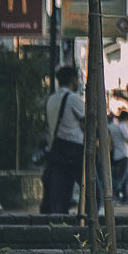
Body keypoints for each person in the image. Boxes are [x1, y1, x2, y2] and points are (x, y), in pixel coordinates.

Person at [42, 66, 85, 214]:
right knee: (92, 191)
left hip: (57, 148)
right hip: (74, 149)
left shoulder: (51, 99)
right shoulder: (73, 99)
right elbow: (87, 124)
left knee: (61, 189)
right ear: (73, 80)